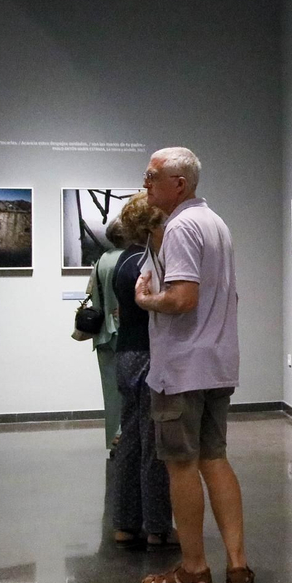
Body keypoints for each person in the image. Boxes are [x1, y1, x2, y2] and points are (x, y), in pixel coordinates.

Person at [134, 147, 253, 583]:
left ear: (179, 184)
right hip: (216, 362)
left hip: (183, 368)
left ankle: (193, 568)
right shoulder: (215, 222)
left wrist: (146, 300)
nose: (145, 183)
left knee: (181, 466)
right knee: (214, 459)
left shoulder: (181, 226)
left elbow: (184, 298)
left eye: (152, 176)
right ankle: (237, 564)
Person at [109, 193, 174, 550]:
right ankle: (157, 527)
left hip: (126, 353)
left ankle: (124, 523)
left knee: (131, 439)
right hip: (149, 353)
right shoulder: (147, 262)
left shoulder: (123, 260)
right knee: (154, 444)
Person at [87, 222, 126, 458]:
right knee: (130, 391)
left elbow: (93, 294)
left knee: (111, 392)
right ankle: (126, 437)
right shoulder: (129, 260)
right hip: (124, 333)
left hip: (102, 334)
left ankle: (114, 441)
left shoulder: (101, 261)